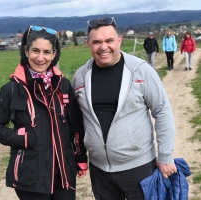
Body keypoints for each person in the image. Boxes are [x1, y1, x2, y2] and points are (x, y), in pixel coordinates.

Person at [72, 17, 177, 200]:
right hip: (100, 169)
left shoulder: (141, 71)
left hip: (140, 167)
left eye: (109, 40)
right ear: (88, 44)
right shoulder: (80, 76)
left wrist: (166, 156)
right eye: (97, 42)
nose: (103, 47)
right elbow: (77, 120)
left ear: (119, 40)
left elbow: (162, 111)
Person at [0, 25, 87, 200]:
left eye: (46, 52)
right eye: (35, 51)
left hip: (64, 173)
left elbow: (75, 125)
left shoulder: (63, 85)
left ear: (54, 54)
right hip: (30, 176)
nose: (40, 58)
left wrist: (80, 157)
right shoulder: (12, 88)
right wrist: (20, 137)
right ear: (26, 51)